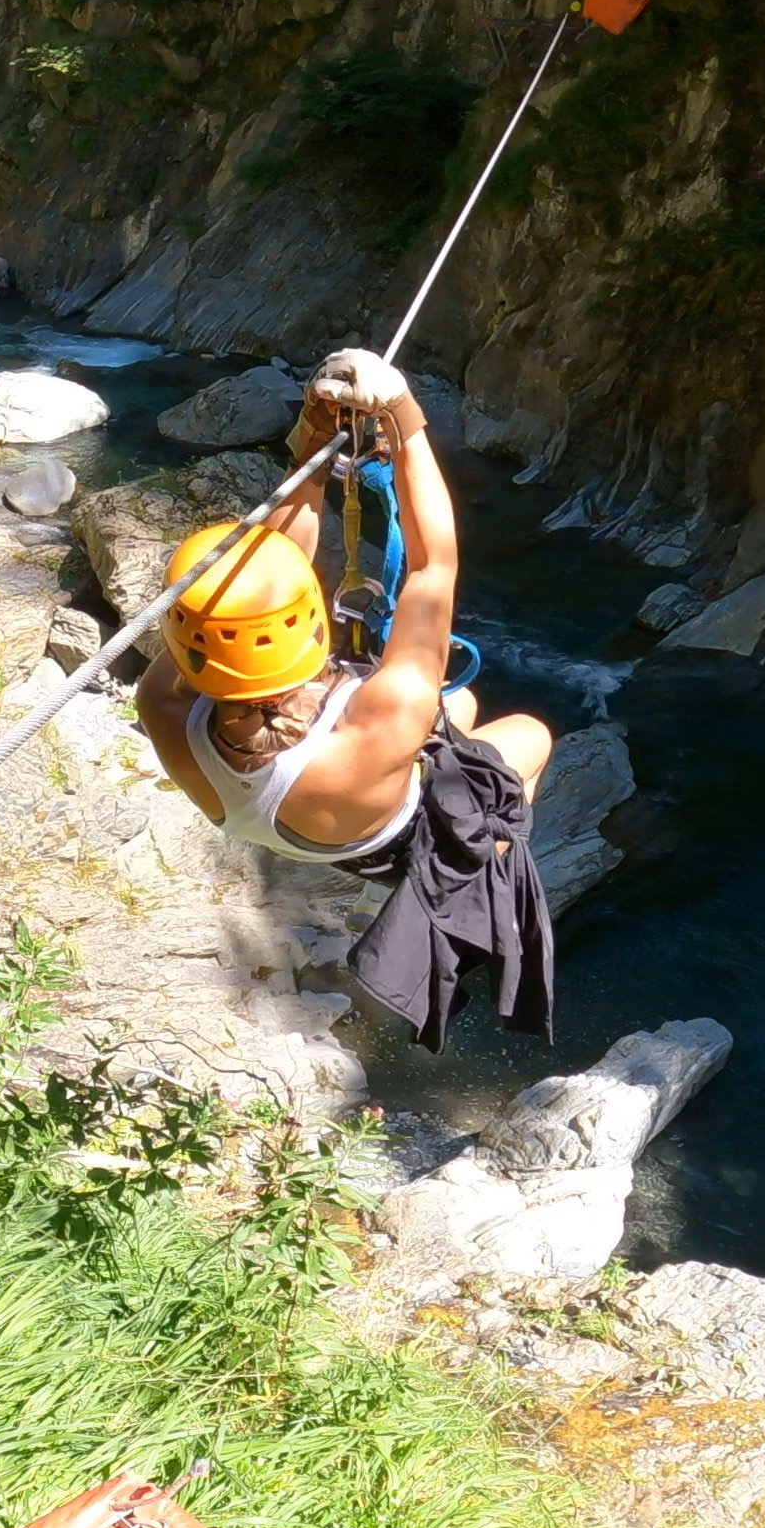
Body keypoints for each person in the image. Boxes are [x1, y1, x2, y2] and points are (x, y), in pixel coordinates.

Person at [133, 349, 559, 1045]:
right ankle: (489, 864)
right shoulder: (383, 717)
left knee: (465, 708)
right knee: (529, 736)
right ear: (306, 620)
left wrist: (314, 438)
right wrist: (406, 422)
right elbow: (432, 564)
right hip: (387, 834)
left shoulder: (164, 703)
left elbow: (279, 560)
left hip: (298, 819)